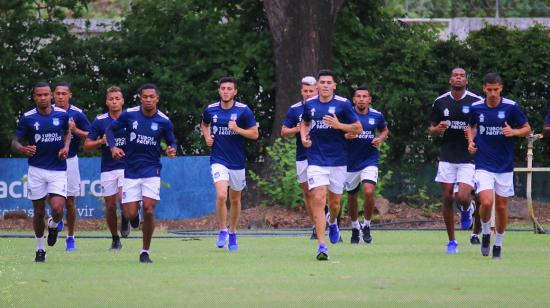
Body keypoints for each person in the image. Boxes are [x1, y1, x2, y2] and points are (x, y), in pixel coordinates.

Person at [106, 83, 177, 263]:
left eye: (151, 97)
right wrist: (113, 147)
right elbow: (110, 130)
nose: (148, 100)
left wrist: (171, 150)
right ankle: (133, 217)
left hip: (152, 170)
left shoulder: (164, 121)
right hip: (130, 170)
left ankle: (145, 251)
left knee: (149, 209)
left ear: (157, 99)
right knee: (130, 213)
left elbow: (172, 142)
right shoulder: (129, 114)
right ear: (141, 98)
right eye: (145, 97)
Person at [468, 72, 531, 259]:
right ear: (484, 89)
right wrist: (470, 142)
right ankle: (486, 232)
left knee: (502, 207)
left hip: (504, 164)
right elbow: (470, 126)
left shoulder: (511, 107)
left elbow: (527, 128)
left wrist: (514, 131)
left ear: (501, 88)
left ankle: (499, 244)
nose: (493, 93)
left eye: (496, 90)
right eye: (489, 90)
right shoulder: (476, 107)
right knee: (486, 201)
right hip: (483, 163)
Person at [300, 69, 362, 260]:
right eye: (322, 82)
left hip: (338, 160)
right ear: (317, 86)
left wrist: (339, 126)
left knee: (334, 203)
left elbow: (357, 128)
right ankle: (322, 245)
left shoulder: (343, 105)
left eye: (329, 82)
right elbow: (304, 122)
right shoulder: (309, 104)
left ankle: (333, 221)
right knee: (318, 198)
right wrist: (304, 137)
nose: (325, 85)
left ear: (334, 86)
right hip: (316, 159)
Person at [11, 82, 71, 262]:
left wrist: (66, 147)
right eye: (39, 95)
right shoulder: (28, 117)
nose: (43, 98)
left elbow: (67, 133)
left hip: (58, 169)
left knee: (58, 208)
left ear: (51, 96)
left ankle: (53, 224)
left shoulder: (61, 114)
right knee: (38, 212)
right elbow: (15, 141)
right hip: (36, 170)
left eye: (46, 94)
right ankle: (40, 249)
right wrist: (22, 148)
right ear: (34, 97)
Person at [201, 77, 259, 252]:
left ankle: (233, 232)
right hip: (218, 159)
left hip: (237, 162)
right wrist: (207, 137)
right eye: (223, 88)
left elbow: (255, 134)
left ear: (235, 92)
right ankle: (222, 229)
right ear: (219, 91)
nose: (225, 91)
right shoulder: (210, 109)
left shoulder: (243, 111)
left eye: (229, 88)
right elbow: (204, 124)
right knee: (221, 195)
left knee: (235, 199)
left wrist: (238, 129)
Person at [428, 68, 482, 254]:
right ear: (450, 79)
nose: (458, 78)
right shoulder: (440, 101)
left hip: (468, 157)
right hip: (447, 155)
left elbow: (479, 127)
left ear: (466, 80)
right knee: (447, 198)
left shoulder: (476, 101)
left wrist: (472, 138)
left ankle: (467, 208)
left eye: (462, 76)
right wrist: (437, 128)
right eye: (455, 75)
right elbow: (431, 128)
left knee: (462, 196)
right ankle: (452, 241)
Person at [84, 86, 130, 250]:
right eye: (111, 99)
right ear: (106, 102)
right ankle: (115, 238)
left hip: (127, 166)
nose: (114, 101)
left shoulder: (131, 118)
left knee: (124, 199)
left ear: (122, 101)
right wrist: (100, 142)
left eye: (117, 98)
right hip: (108, 168)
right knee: (110, 206)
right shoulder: (100, 121)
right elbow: (87, 145)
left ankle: (126, 218)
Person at [345, 86, 388, 244]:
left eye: (365, 96)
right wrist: (346, 135)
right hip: (350, 162)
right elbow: (338, 131)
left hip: (370, 160)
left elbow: (384, 130)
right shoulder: (347, 114)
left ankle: (367, 225)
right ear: (354, 99)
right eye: (358, 96)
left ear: (369, 99)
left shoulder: (376, 115)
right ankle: (355, 226)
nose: (361, 99)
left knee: (369, 191)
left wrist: (380, 138)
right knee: (352, 196)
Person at [53, 81, 90, 251]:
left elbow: (91, 136)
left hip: (71, 161)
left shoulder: (78, 114)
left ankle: (71, 237)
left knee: (70, 201)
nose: (60, 96)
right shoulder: (48, 112)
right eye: (58, 93)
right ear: (53, 95)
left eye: (64, 93)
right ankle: (57, 218)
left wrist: (76, 131)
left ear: (70, 95)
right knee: (51, 198)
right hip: (49, 163)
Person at [280, 76, 318, 239]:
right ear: (301, 92)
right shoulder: (295, 109)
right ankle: (316, 226)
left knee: (323, 192)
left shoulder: (325, 107)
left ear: (316, 90)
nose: (308, 94)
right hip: (303, 156)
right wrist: (297, 129)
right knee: (308, 193)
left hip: (323, 156)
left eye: (311, 91)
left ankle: (331, 223)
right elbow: (284, 131)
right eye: (305, 91)